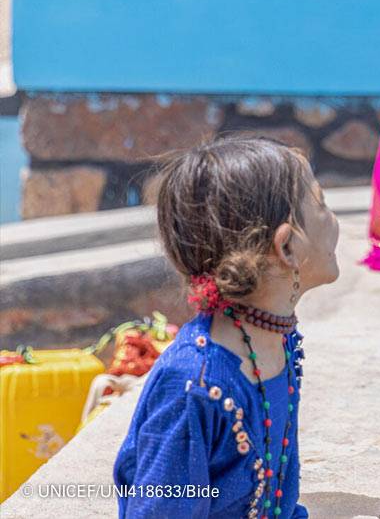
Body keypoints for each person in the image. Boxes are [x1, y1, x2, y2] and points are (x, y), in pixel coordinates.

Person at [114, 137, 339, 518]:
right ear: (286, 248)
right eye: (321, 204)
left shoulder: (277, 341)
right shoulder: (193, 385)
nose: (334, 221)